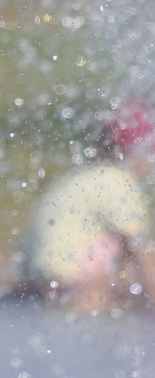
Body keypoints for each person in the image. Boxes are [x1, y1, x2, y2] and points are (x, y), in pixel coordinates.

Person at [22, 100, 155, 310]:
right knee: (123, 243)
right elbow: (143, 251)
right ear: (138, 150)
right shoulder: (118, 182)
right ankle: (90, 300)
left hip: (38, 270)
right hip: (69, 271)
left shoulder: (91, 174)